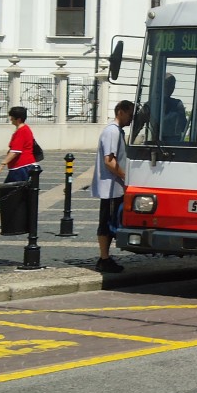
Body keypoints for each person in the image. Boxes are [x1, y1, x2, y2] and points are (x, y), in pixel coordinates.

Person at [92, 100, 134, 274]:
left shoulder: (116, 131)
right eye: (130, 115)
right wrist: (126, 177)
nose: (131, 119)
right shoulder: (112, 132)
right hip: (111, 186)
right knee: (106, 222)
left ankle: (106, 257)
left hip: (114, 185)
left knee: (110, 221)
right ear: (121, 112)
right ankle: (104, 258)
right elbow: (109, 161)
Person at [0, 106, 38, 183]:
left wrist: (2, 164)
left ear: (18, 119)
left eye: (12, 117)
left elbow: (15, 151)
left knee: (11, 192)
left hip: (21, 166)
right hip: (21, 166)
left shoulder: (22, 131)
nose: (10, 119)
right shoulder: (24, 129)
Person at [161, 73, 187, 142]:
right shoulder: (177, 104)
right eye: (168, 85)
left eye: (173, 86)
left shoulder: (178, 104)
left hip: (173, 142)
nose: (172, 88)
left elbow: (183, 125)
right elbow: (183, 126)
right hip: (171, 141)